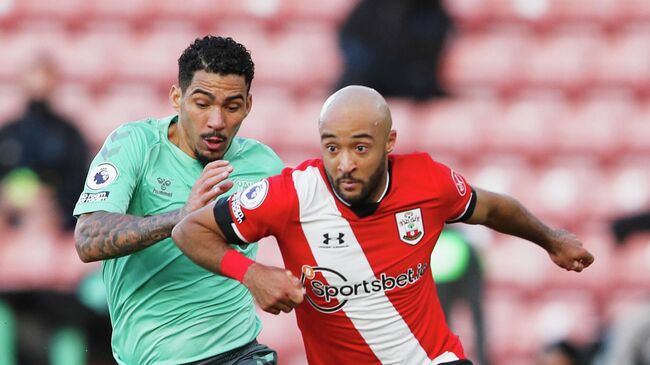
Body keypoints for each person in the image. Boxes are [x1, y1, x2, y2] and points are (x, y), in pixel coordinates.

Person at [172, 85, 595, 365]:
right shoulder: (292, 194)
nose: (345, 163)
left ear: (389, 143)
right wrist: (253, 274)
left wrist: (551, 238)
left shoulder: (426, 181)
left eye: (360, 147)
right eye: (332, 147)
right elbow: (189, 230)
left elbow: (493, 208)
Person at [73, 36, 285, 365]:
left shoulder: (264, 165)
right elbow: (87, 238)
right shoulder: (135, 144)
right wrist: (183, 216)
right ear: (177, 97)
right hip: (152, 357)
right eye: (202, 104)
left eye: (231, 106)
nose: (217, 121)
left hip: (239, 351)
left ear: (248, 105)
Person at [0, 54, 89, 231]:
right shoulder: (8, 132)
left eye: (45, 76)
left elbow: (80, 181)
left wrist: (52, 199)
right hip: (11, 225)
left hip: (57, 223)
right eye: (34, 75)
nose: (39, 83)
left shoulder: (68, 133)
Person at [335, 0, 453, 99]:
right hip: (370, 82)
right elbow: (355, 54)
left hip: (417, 88)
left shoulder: (431, 11)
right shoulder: (368, 11)